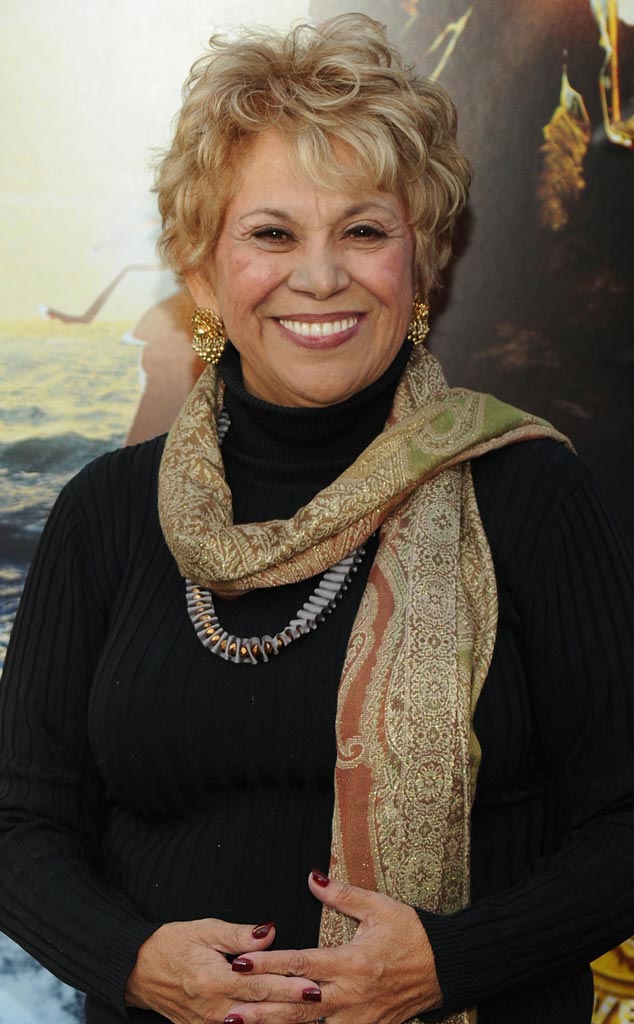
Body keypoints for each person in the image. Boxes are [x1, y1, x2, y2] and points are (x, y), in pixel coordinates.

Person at [0, 14, 633, 1024]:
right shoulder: (106, 514)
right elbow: (19, 822)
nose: (322, 275)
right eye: (272, 233)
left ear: (421, 264)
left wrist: (449, 965)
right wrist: (133, 961)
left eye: (364, 231)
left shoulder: (530, 494)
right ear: (202, 272)